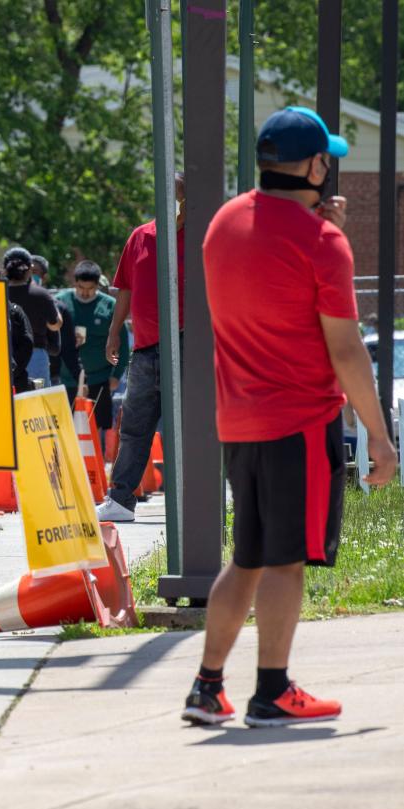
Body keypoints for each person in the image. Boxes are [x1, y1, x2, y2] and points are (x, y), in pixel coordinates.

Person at [184, 107, 397, 728]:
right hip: (299, 421)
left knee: (246, 557)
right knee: (284, 560)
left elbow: (265, 270)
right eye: (325, 159)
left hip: (240, 421)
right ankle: (271, 692)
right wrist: (379, 438)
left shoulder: (223, 223)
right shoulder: (323, 243)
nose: (328, 167)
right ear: (312, 166)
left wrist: (313, 228)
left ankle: (206, 687)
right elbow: (346, 347)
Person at [96, 174, 186, 523]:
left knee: (188, 428)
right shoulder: (141, 237)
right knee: (135, 426)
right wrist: (114, 332)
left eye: (180, 193)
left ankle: (193, 501)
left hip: (186, 345)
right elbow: (125, 290)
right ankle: (120, 500)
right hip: (146, 348)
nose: (176, 199)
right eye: (174, 193)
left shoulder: (198, 236)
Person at [57, 260, 129, 441]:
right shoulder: (61, 301)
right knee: (66, 429)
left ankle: (92, 467)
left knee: (93, 429)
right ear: (75, 283)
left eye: (90, 288)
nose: (85, 292)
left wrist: (115, 374)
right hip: (67, 378)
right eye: (81, 287)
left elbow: (123, 343)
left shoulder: (110, 306)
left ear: (98, 285)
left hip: (99, 377)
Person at [4, 247, 62, 386]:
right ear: (29, 269)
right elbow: (55, 324)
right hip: (34, 355)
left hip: (3, 354)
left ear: (5, 269)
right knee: (36, 400)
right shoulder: (40, 295)